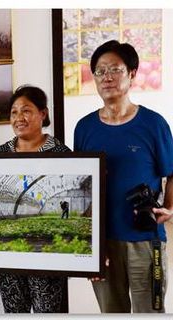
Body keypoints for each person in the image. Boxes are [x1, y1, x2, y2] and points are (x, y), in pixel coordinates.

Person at [73, 40, 173, 313]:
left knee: (149, 312)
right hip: (104, 241)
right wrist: (89, 246)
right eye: (100, 71)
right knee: (111, 312)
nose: (107, 77)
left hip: (145, 239)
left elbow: (172, 173)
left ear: (131, 73)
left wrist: (170, 207)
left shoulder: (153, 124)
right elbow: (83, 189)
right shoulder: (84, 128)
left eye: (115, 69)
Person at [0, 85, 70, 313]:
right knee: (14, 312)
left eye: (26, 110)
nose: (19, 118)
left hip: (48, 258)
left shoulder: (62, 154)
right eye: (14, 112)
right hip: (8, 256)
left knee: (47, 312)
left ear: (43, 114)